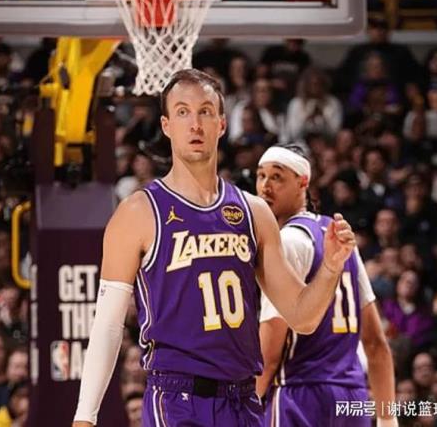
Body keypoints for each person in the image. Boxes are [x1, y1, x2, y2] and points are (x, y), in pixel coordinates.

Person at [72, 69, 356, 426]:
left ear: (222, 124)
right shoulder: (138, 212)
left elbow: (302, 317)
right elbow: (108, 325)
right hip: (177, 399)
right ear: (166, 125)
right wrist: (84, 417)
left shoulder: (255, 212)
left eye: (205, 111)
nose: (195, 124)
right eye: (183, 112)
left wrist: (330, 267)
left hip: (242, 399)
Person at [255, 144, 397, 426]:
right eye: (261, 176)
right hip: (352, 398)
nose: (265, 186)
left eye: (277, 176)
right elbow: (375, 343)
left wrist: (241, 411)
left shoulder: (288, 242)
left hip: (299, 393)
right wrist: (387, 418)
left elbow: (269, 355)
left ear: (303, 182)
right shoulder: (339, 236)